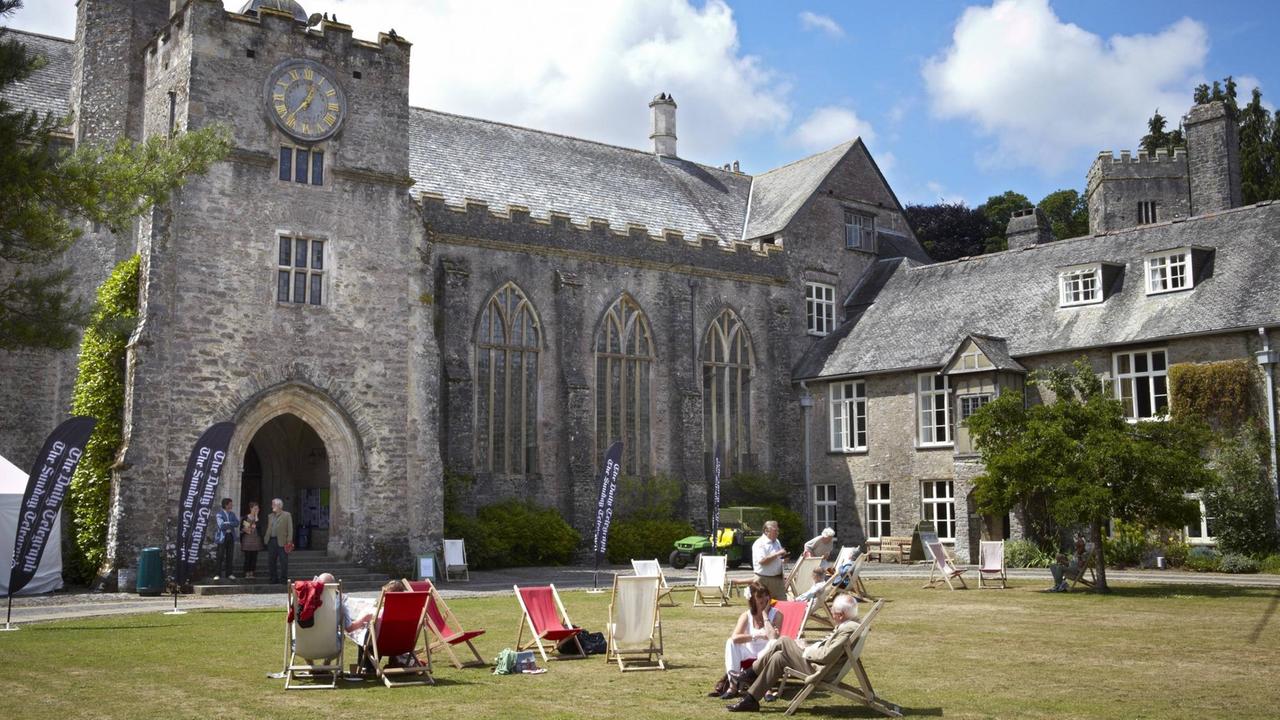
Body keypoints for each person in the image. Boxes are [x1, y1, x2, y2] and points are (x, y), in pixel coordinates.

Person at [726, 594, 861, 712]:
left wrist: (805, 650)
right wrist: (808, 646)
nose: (831, 613)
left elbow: (826, 655)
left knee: (784, 640)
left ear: (841, 615)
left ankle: (751, 673)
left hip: (820, 670)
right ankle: (751, 699)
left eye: (833, 611)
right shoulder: (851, 626)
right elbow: (828, 650)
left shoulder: (848, 629)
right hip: (818, 664)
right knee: (778, 657)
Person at [714, 581, 783, 699]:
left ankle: (766, 688)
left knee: (772, 642)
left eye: (766, 595)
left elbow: (773, 637)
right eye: (760, 596)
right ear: (753, 599)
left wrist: (765, 614)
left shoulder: (777, 615)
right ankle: (733, 686)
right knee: (730, 642)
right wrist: (756, 636)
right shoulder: (746, 616)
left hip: (765, 654)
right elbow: (735, 637)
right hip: (749, 653)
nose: (764, 599)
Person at [752, 520, 787, 600]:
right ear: (766, 531)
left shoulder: (777, 541)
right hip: (764, 579)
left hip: (778, 579)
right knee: (762, 606)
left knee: (782, 604)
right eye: (775, 531)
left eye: (778, 530)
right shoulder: (759, 543)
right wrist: (778, 553)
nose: (777, 533)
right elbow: (762, 561)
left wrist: (783, 558)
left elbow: (778, 557)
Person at [266, 498, 294, 584]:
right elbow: (269, 528)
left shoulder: (287, 515)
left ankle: (283, 579)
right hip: (271, 540)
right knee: (271, 561)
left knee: (283, 561)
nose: (272, 506)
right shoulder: (270, 516)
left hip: (283, 541)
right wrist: (265, 538)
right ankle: (273, 579)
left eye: (273, 504)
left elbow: (290, 528)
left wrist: (289, 540)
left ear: (279, 506)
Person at [213, 498, 238, 580]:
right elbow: (221, 525)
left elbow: (237, 523)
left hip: (230, 536)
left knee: (230, 556)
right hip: (222, 537)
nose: (232, 505)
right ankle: (217, 574)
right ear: (226, 505)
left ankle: (229, 574)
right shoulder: (219, 514)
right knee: (220, 556)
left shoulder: (232, 514)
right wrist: (231, 524)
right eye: (230, 504)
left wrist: (227, 523)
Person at [240, 501, 263, 579]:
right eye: (255, 508)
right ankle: (246, 572)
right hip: (247, 540)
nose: (257, 510)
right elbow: (243, 528)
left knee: (254, 557)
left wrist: (256, 517)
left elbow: (259, 527)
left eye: (258, 508)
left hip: (256, 540)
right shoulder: (246, 517)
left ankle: (252, 572)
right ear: (251, 508)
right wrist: (249, 527)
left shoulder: (258, 518)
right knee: (248, 557)